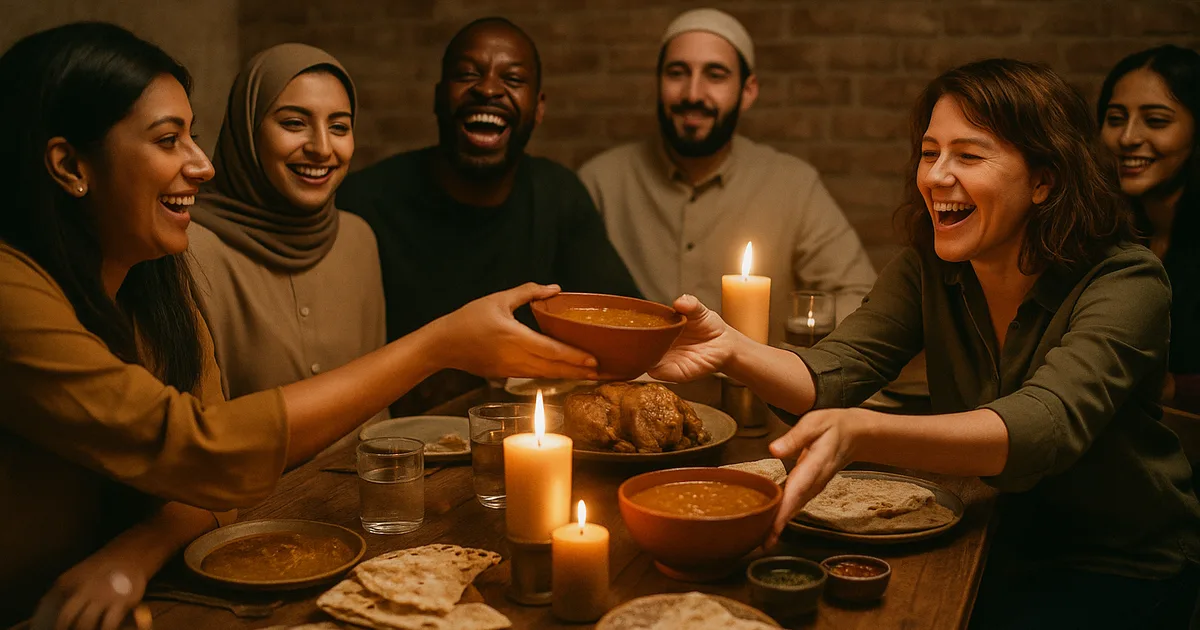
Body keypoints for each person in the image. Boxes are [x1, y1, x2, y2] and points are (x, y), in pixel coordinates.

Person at [0, 23, 598, 627]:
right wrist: (438, 344)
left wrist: (132, 553)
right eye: (166, 140)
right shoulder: (13, 290)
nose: (200, 166)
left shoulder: (154, 278)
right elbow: (203, 448)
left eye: (194, 136)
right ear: (69, 164)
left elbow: (204, 488)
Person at [649, 58, 1200, 628]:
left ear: (1044, 180)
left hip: (1121, 564)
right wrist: (731, 347)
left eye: (968, 154)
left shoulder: (1126, 281)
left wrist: (862, 432)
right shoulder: (929, 269)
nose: (936, 176)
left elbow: (1043, 427)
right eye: (930, 151)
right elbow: (832, 373)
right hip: (991, 536)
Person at [578, 8, 877, 344]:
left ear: (747, 91)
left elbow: (859, 297)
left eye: (715, 75)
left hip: (753, 392)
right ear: (658, 83)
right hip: (632, 389)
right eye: (677, 73)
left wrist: (787, 361)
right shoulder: (599, 182)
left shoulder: (792, 184)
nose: (693, 94)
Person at [336, 16, 642, 345]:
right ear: (439, 97)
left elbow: (624, 327)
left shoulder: (559, 196)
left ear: (538, 108)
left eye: (512, 78)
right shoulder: (364, 201)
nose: (488, 89)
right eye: (468, 74)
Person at [188, 43, 387, 433]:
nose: (322, 148)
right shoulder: (189, 249)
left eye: (339, 127)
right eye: (294, 123)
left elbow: (377, 408)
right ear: (247, 130)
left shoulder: (358, 239)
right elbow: (196, 438)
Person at [1098, 45, 1200, 411]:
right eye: (1115, 118)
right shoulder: (1102, 232)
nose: (1127, 138)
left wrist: (1174, 390)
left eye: (1156, 121)